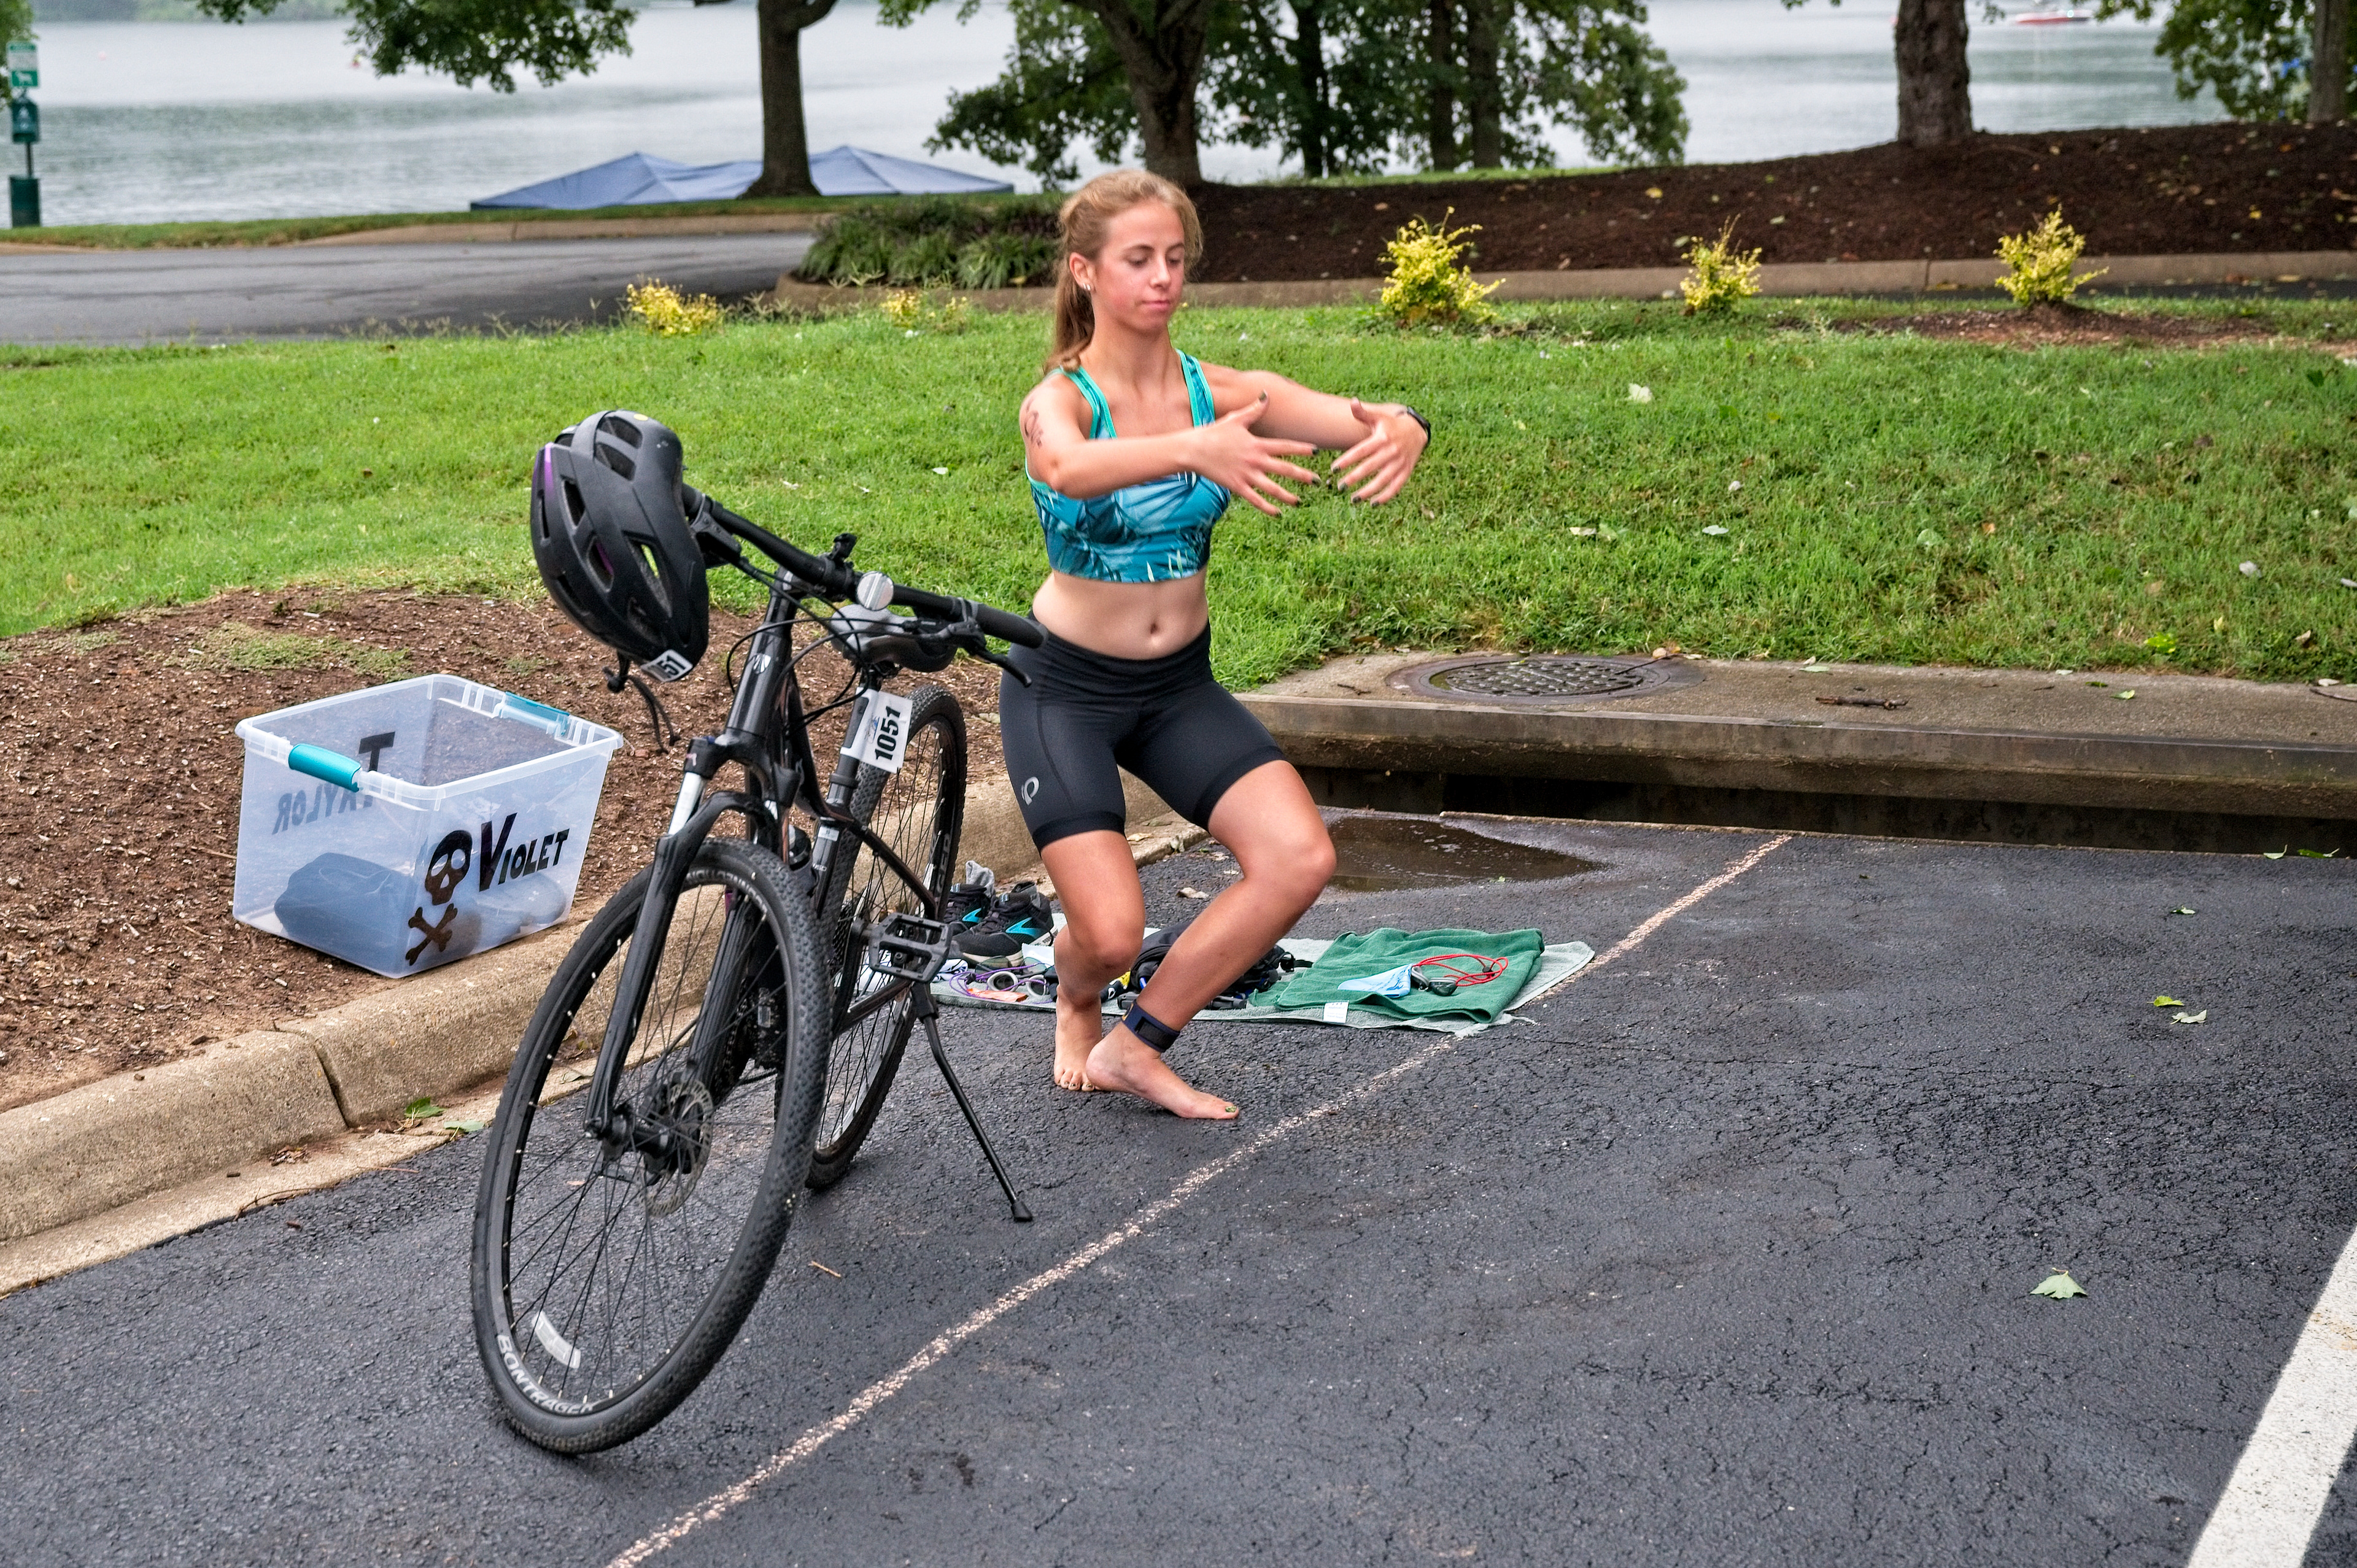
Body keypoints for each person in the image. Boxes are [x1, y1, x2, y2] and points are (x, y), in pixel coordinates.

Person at [1002, 169, 1431, 1120]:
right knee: (1109, 936)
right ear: (1085, 272)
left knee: (1298, 859)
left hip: (1177, 689)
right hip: (1064, 689)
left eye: (1174, 258)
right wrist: (1191, 449)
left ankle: (1136, 1046)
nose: (1162, 277)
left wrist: (1407, 425)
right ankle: (1078, 991)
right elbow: (1067, 469)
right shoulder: (1060, 401)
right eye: (1137, 259)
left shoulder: (1222, 393)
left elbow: (1354, 415)